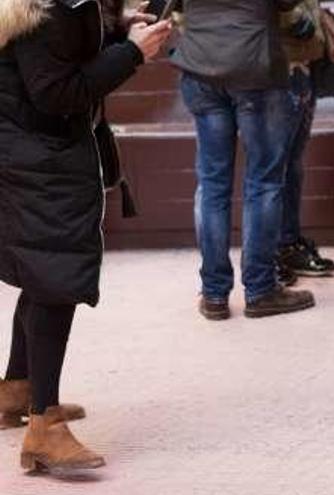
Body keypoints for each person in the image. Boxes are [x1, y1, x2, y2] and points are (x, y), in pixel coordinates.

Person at [0, 0, 171, 471]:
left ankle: (18, 389)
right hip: (40, 158)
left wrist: (117, 32)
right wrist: (132, 53)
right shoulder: (44, 7)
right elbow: (57, 93)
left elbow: (65, 53)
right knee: (55, 279)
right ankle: (44, 427)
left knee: (43, 271)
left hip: (33, 151)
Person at [173, 0, 316, 319]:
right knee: (263, 184)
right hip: (255, 66)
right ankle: (261, 289)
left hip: (200, 66)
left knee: (212, 186)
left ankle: (214, 294)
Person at [276, 0, 334, 286]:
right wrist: (300, 22)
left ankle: (287, 243)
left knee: (292, 164)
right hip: (279, 66)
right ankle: (272, 254)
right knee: (273, 169)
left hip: (301, 65)